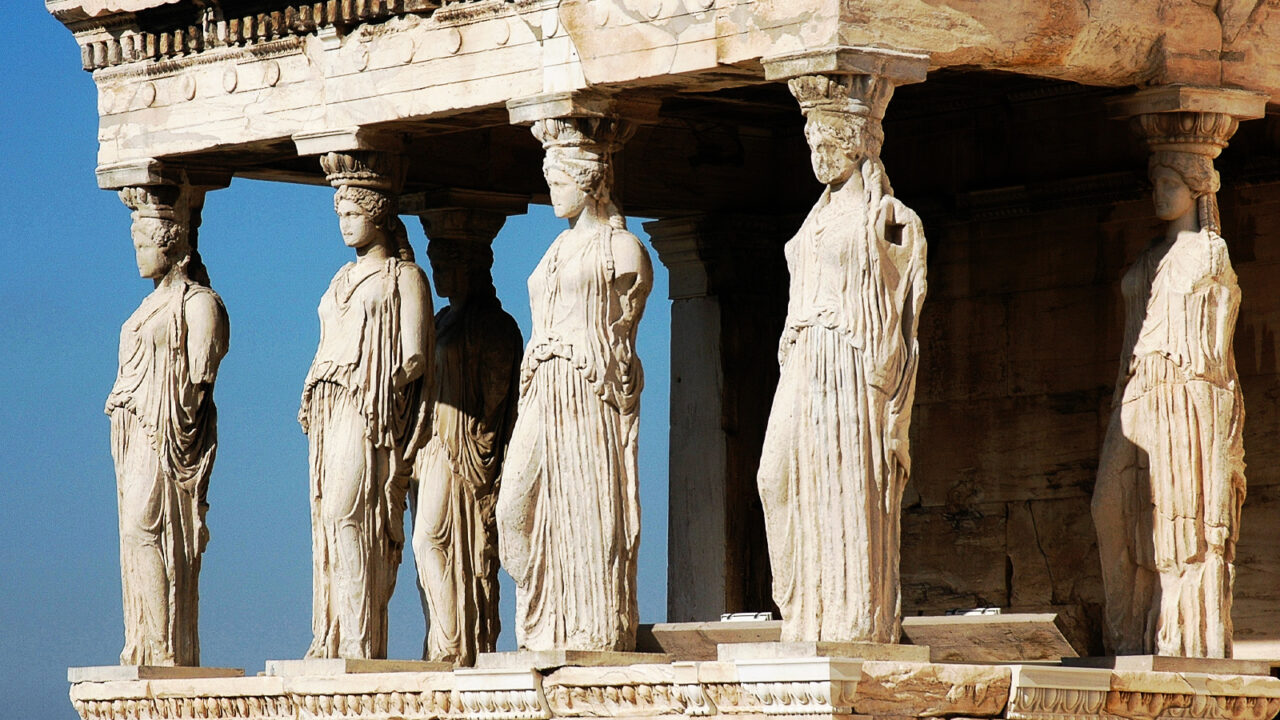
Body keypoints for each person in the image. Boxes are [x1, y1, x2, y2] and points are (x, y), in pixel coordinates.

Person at [757, 74, 927, 643]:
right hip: (804, 356)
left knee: (846, 485)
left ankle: (850, 618)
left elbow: (906, 305)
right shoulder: (814, 219)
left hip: (850, 362)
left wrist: (888, 382)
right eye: (812, 142)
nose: (818, 154)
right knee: (774, 477)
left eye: (828, 142)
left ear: (856, 144)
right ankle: (803, 608)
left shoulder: (887, 218)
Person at [496, 117, 652, 651]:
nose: (552, 193)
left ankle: (590, 624)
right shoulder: (555, 250)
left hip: (588, 389)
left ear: (588, 182)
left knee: (588, 507)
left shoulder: (623, 250)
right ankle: (544, 618)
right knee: (513, 509)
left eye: (559, 181)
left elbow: (624, 331)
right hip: (543, 386)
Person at [1093, 149, 1245, 658]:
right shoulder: (1147, 257)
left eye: (1170, 184)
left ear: (1197, 190)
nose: (1159, 195)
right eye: (1155, 184)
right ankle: (1127, 628)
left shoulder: (1209, 253)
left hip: (1185, 392)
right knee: (1108, 507)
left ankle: (1181, 635)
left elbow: (1215, 349)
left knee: (1178, 518)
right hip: (1138, 387)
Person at [301, 158, 433, 659]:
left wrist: (378, 383)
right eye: (340, 214)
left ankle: (361, 641)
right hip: (328, 404)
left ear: (378, 215)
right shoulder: (339, 278)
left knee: (349, 511)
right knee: (327, 519)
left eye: (353, 213)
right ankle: (333, 635)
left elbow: (416, 356)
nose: (345, 223)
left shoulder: (405, 278)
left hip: (370, 406)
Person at [107, 186, 229, 666]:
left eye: (144, 244)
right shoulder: (145, 307)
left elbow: (201, 376)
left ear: (171, 242)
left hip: (167, 434)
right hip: (134, 432)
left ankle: (164, 645)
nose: (137, 254)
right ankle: (146, 640)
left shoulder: (199, 304)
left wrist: (174, 414)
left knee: (146, 528)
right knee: (133, 533)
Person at [412, 232, 522, 666]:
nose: (438, 274)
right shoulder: (442, 319)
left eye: (446, 265)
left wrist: (479, 441)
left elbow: (498, 395)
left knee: (430, 539)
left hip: (464, 451)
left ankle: (455, 643)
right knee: (425, 546)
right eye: (435, 265)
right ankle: (441, 638)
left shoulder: (494, 325)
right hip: (432, 444)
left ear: (471, 268)